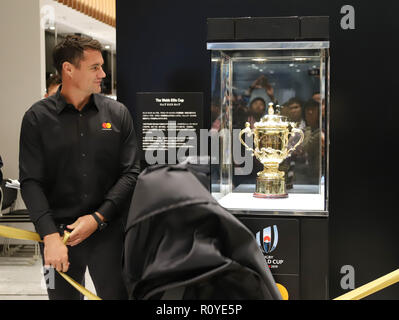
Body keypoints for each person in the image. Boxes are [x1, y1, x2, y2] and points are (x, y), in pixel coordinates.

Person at [19, 35, 140, 300]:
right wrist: (48, 235)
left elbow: (131, 172)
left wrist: (97, 218)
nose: (104, 73)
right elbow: (30, 181)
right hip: (56, 238)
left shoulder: (118, 114)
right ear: (68, 69)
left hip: (109, 234)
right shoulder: (35, 119)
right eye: (95, 67)